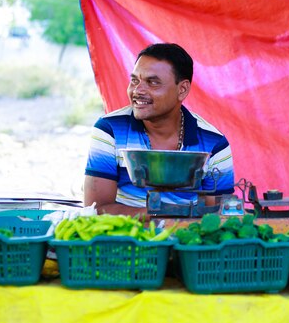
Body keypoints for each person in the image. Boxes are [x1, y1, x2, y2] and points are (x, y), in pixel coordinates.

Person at [83, 43, 234, 215]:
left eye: (153, 82)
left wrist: (172, 224)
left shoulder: (214, 143)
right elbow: (95, 209)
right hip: (127, 235)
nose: (137, 90)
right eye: (134, 80)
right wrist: (161, 217)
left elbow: (221, 214)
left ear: (182, 90)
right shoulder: (110, 129)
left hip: (187, 238)